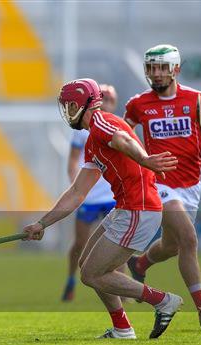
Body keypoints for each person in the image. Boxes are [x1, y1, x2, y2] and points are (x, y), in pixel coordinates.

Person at [24, 78, 182, 339]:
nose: (66, 112)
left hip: (139, 209)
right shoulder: (91, 142)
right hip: (125, 209)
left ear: (81, 104)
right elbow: (77, 194)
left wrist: (144, 159)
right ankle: (122, 328)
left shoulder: (101, 122)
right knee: (87, 265)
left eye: (69, 106)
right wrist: (42, 223)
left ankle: (162, 300)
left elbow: (121, 139)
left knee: (92, 274)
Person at [123, 44, 201, 330]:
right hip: (161, 183)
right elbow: (124, 135)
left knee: (171, 245)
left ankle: (140, 264)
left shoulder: (198, 100)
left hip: (191, 184)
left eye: (161, 68)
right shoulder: (138, 104)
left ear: (176, 70)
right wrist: (142, 161)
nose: (155, 75)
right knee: (189, 240)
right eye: (151, 68)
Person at [62, 84, 122, 302]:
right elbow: (71, 163)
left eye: (110, 100)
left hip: (112, 196)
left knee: (117, 245)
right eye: (102, 99)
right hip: (89, 194)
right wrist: (76, 188)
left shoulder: (118, 128)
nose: (105, 104)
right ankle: (70, 280)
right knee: (80, 244)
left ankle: (121, 291)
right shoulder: (81, 133)